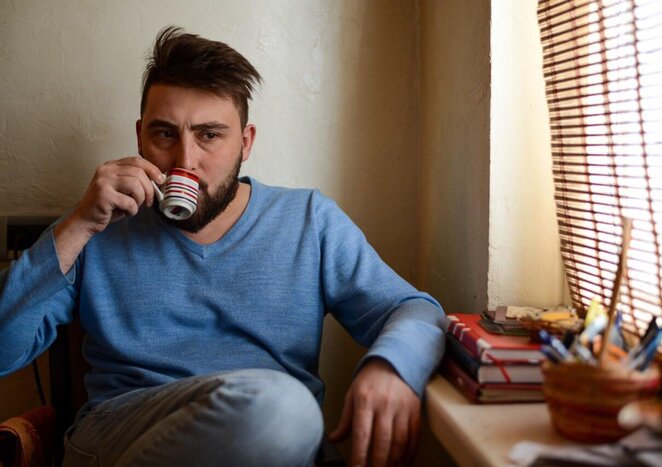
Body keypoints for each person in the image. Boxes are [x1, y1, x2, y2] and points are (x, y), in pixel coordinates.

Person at [0, 27, 445, 467]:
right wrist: (79, 224)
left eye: (209, 135)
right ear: (140, 137)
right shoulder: (97, 223)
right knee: (286, 406)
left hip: (274, 443)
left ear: (245, 143)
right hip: (123, 434)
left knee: (283, 411)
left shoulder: (307, 221)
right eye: (164, 134)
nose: (185, 160)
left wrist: (391, 365)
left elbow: (412, 308)